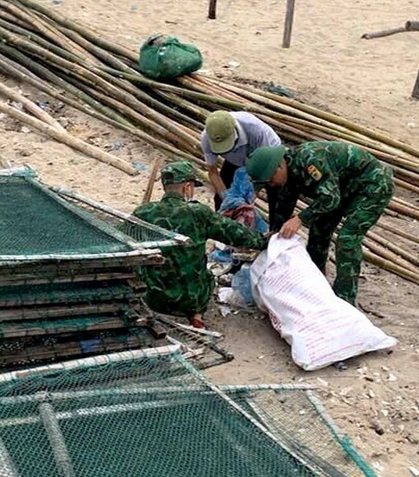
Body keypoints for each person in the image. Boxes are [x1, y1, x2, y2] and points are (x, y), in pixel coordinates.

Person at [248, 142, 395, 304]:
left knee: (347, 239)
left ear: (279, 167)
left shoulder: (310, 161)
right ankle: (316, 281)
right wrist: (275, 232)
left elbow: (330, 198)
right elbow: (284, 205)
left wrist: (300, 219)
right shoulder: (288, 174)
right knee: (319, 230)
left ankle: (345, 298)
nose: (271, 185)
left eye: (270, 180)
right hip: (344, 187)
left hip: (373, 184)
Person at [134, 161, 269, 326]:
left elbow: (122, 240)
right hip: (191, 299)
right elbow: (236, 234)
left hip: (155, 298)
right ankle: (196, 315)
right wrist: (263, 240)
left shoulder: (143, 212)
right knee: (209, 276)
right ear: (187, 187)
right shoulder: (198, 213)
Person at [200, 110, 282, 207]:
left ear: (234, 130)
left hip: (268, 158)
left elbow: (263, 172)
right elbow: (213, 173)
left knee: (276, 196)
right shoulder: (207, 138)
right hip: (235, 159)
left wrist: (251, 197)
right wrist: (226, 198)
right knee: (220, 200)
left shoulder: (255, 130)